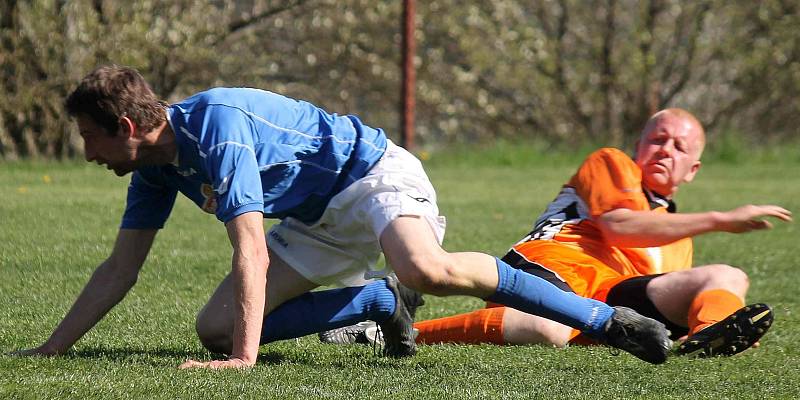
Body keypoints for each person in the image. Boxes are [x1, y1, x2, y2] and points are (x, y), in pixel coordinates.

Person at [12, 65, 673, 369]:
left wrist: (245, 363)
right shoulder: (156, 167)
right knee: (213, 329)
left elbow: (251, 251)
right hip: (318, 218)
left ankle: (606, 321)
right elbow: (120, 268)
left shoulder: (217, 126)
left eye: (89, 138)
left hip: (372, 176)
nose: (87, 153)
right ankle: (378, 303)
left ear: (126, 127)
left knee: (429, 269)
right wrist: (51, 349)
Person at [322, 108, 792, 357]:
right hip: (549, 268)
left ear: (694, 169)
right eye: (657, 139)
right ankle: (382, 332)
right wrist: (721, 218)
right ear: (638, 145)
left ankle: (702, 340)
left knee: (726, 275)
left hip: (610, 303)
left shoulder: (679, 235)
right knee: (548, 328)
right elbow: (621, 226)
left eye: (679, 146)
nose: (665, 150)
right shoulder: (612, 162)